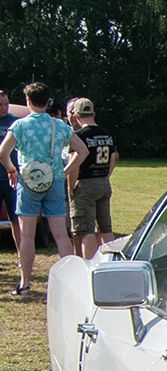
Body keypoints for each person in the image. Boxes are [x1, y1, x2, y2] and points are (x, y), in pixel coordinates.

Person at [0, 82, 87, 296]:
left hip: (29, 181)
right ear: (47, 102)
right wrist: (65, 171)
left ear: (28, 101)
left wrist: (11, 169)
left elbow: (3, 152)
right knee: (60, 235)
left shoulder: (20, 126)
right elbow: (82, 151)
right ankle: (69, 283)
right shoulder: (59, 126)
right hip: (54, 180)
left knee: (27, 234)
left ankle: (25, 283)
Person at [66, 97, 118, 258]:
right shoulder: (106, 133)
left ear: (76, 116)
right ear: (93, 113)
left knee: (85, 230)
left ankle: (88, 266)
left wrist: (70, 187)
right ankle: (111, 263)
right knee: (105, 228)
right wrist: (106, 174)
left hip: (85, 183)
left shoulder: (78, 135)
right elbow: (114, 156)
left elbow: (74, 165)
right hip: (103, 182)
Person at [0, 89, 19, 225]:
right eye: (0, 105)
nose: (4, 108)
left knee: (16, 218)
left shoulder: (15, 122)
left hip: (12, 176)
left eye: (6, 104)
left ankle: (20, 247)